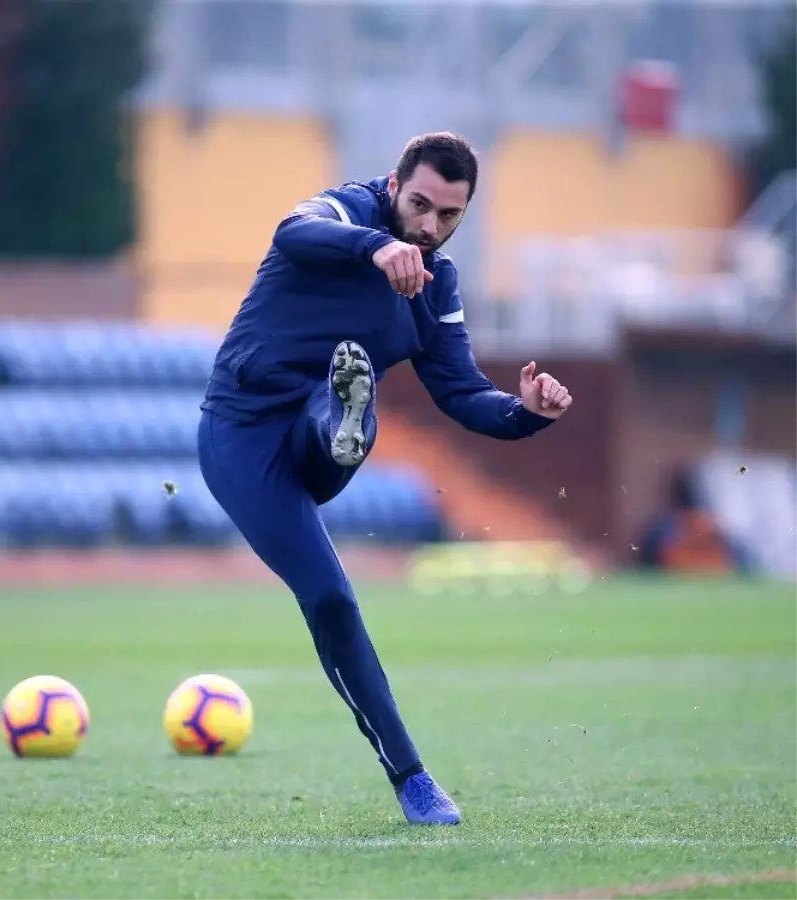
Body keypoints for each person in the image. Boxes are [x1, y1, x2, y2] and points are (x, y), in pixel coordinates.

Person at [196, 132, 573, 825]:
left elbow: (462, 394)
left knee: (345, 406)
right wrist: (376, 246)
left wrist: (527, 413)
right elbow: (292, 231)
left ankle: (345, 413)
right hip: (242, 434)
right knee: (333, 600)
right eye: (421, 205)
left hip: (318, 442)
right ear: (395, 187)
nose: (429, 226)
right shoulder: (348, 211)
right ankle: (416, 783)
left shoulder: (438, 284)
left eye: (449, 216)